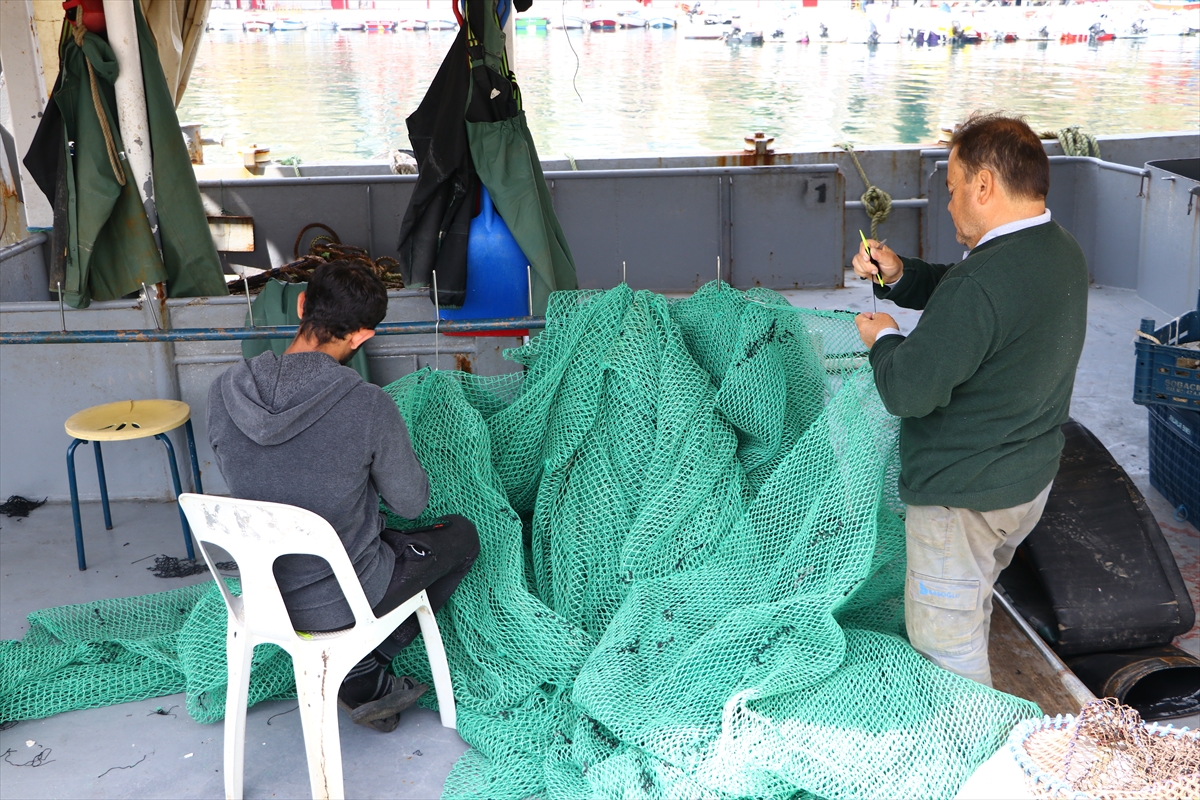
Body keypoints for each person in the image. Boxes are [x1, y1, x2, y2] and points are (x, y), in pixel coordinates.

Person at [852, 113, 1088, 687]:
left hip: (964, 501)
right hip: (1022, 484)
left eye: (954, 188)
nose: (951, 202)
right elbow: (971, 302)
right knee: (970, 601)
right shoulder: (1056, 250)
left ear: (984, 186)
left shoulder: (982, 282)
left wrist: (882, 337)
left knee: (946, 655)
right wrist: (901, 275)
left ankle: (970, 762)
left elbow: (907, 389)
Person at [207, 260, 479, 732]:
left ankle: (363, 673)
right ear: (362, 336)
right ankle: (365, 666)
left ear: (301, 305)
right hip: (345, 598)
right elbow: (412, 504)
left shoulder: (222, 391)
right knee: (461, 535)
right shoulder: (369, 405)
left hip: (262, 593)